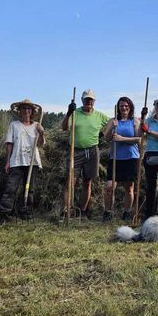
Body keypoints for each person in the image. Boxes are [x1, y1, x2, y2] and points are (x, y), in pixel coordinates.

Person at [60, 89, 110, 221]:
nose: (89, 102)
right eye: (86, 99)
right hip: (74, 151)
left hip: (92, 151)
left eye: (91, 99)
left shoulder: (100, 116)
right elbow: (64, 127)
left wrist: (103, 133)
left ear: (94, 101)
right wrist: (68, 113)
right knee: (70, 182)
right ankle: (66, 211)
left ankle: (82, 211)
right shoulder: (75, 113)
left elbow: (112, 122)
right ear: (82, 100)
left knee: (87, 182)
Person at [0, 99, 45, 223]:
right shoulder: (14, 125)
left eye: (29, 109)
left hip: (32, 162)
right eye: (24, 108)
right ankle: (4, 214)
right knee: (11, 188)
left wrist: (42, 133)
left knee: (30, 189)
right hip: (17, 161)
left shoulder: (37, 126)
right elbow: (9, 144)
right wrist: (7, 162)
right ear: (20, 111)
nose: (26, 111)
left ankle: (26, 212)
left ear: (32, 111)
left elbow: (40, 144)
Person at [103, 97, 141, 222]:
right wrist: (111, 128)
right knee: (110, 187)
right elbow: (106, 138)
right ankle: (108, 212)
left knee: (129, 187)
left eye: (126, 106)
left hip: (131, 157)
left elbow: (138, 139)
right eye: (121, 106)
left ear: (130, 107)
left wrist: (121, 138)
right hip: (115, 158)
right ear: (118, 108)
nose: (124, 108)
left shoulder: (135, 121)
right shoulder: (113, 121)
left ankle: (126, 212)